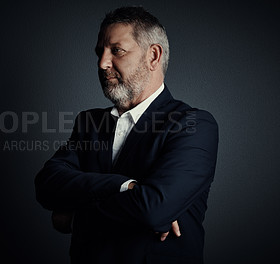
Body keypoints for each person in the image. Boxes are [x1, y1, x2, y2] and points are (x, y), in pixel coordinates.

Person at [35, 6, 218, 264]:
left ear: (153, 56)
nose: (102, 63)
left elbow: (154, 210)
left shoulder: (193, 125)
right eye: (100, 52)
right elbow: (47, 184)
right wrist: (126, 187)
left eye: (116, 50)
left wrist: (74, 218)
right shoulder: (90, 122)